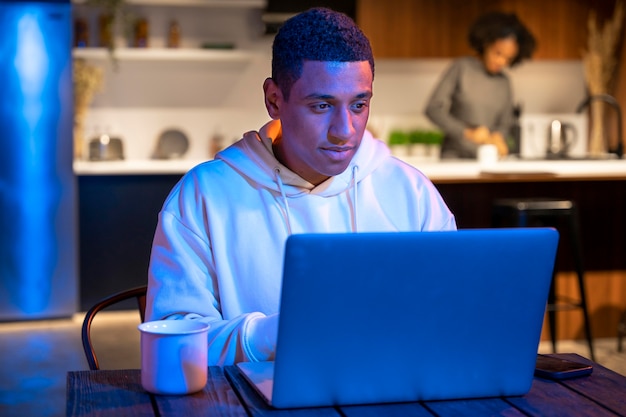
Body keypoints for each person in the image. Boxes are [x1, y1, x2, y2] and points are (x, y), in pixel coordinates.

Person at [145, 7, 457, 366]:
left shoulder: (410, 191)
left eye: (359, 105)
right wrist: (273, 334)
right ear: (274, 100)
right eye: (322, 105)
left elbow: (452, 316)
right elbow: (171, 345)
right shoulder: (203, 196)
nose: (345, 130)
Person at [424, 12, 536, 159]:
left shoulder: (504, 82)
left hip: (487, 158)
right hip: (454, 156)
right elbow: (432, 109)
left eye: (508, 59)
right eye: (498, 53)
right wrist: (466, 132)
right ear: (486, 43)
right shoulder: (461, 68)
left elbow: (505, 122)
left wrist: (498, 137)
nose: (502, 62)